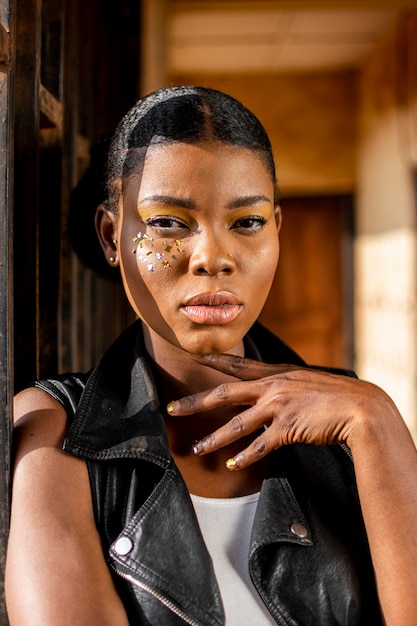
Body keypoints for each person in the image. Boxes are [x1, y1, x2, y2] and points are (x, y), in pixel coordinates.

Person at [5, 86, 417, 626]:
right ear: (112, 236)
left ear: (277, 231)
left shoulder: (352, 426)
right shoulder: (60, 432)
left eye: (247, 223)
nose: (213, 258)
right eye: (169, 223)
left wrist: (379, 421)